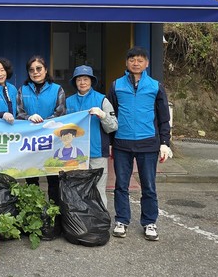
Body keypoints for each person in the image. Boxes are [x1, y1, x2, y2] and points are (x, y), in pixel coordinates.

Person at [107, 47, 172, 241]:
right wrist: (110, 142)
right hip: (122, 143)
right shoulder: (116, 85)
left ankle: (149, 222)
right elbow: (111, 116)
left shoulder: (155, 86)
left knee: (149, 186)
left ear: (147, 64)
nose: (136, 63)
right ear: (126, 63)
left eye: (140, 60)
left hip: (148, 143)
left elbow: (163, 117)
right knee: (121, 185)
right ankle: (122, 220)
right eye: (132, 60)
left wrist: (164, 142)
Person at [65, 65, 118, 210]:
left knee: (98, 190)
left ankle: (100, 224)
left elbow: (113, 126)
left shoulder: (102, 100)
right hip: (74, 155)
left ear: (91, 81)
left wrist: (103, 115)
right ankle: (80, 225)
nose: (82, 82)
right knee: (76, 190)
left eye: (86, 79)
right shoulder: (68, 102)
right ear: (75, 82)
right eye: (79, 79)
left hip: (97, 152)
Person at [16, 55, 65, 205]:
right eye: (31, 70)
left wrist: (44, 122)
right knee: (31, 179)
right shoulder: (22, 90)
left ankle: (54, 214)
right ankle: (33, 211)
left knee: (53, 180)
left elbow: (61, 112)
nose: (35, 72)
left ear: (45, 70)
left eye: (39, 69)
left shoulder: (57, 89)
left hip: (51, 142)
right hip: (30, 142)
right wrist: (29, 117)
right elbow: (19, 112)